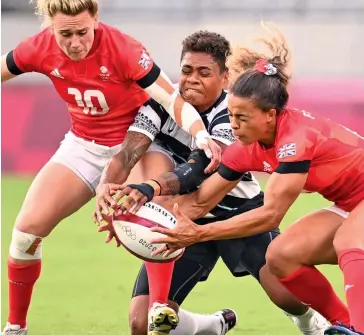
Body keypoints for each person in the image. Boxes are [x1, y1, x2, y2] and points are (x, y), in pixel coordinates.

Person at [119, 24, 364, 335]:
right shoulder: (246, 148)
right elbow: (203, 200)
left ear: (270, 115)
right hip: (350, 203)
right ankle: (343, 326)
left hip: (352, 203)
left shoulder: (295, 139)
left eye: (242, 117)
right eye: (231, 115)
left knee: (348, 240)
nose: (233, 125)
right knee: (281, 256)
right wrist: (150, 223)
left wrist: (197, 234)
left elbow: (271, 215)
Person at [0, 0, 222, 334]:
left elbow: (169, 98)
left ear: (96, 20)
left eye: (83, 32)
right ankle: (16, 327)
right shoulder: (37, 48)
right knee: (25, 233)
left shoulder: (124, 49)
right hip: (83, 146)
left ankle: (159, 311)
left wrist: (200, 134)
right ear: (50, 28)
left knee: (156, 209)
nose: (75, 42)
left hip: (138, 143)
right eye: (65, 35)